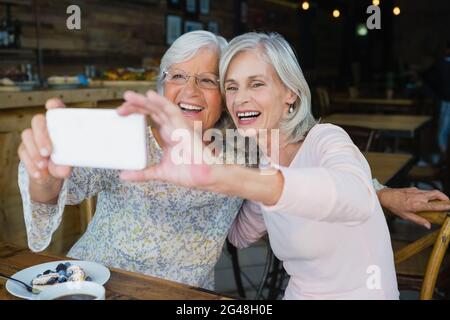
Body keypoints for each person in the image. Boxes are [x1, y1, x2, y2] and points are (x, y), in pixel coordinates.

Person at [18, 30, 450, 292]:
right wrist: (43, 176)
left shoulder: (239, 146)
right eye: (178, 76)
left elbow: (313, 170)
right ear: (162, 85)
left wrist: (385, 195)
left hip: (184, 296)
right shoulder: (127, 137)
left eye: (207, 80)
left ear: (220, 100)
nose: (190, 91)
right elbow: (54, 187)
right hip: (95, 281)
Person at [117, 32, 403, 299]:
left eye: (256, 83)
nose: (241, 98)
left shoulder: (325, 138)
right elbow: (239, 233)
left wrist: (380, 193)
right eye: (232, 87)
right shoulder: (257, 156)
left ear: (290, 92)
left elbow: (354, 194)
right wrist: (196, 199)